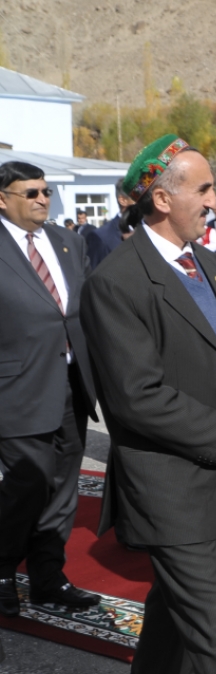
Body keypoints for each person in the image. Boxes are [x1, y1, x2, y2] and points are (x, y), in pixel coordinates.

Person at [81, 136, 216, 674]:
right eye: (205, 188)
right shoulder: (116, 282)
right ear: (162, 199)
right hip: (169, 485)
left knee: (176, 614)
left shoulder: (210, 264)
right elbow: (136, 398)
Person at [0, 161, 100, 620]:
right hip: (16, 388)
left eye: (47, 191)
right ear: (3, 198)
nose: (43, 199)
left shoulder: (69, 241)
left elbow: (84, 310)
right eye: (32, 192)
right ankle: (3, 571)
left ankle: (48, 577)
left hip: (71, 383)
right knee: (29, 481)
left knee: (62, 487)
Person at [83, 178, 135, 268]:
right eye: (138, 197)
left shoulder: (152, 229)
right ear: (123, 200)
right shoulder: (102, 237)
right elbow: (93, 277)